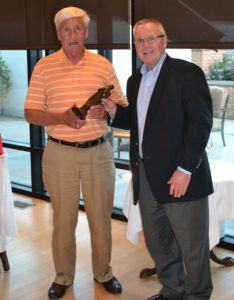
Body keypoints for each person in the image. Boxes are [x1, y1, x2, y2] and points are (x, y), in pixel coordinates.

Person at [103, 19, 214, 300]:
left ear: (165, 40)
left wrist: (185, 169)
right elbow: (140, 123)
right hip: (148, 178)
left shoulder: (187, 73)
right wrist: (115, 111)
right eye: (139, 41)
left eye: (151, 38)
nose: (145, 45)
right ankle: (173, 289)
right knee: (158, 243)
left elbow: (200, 124)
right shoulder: (134, 79)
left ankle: (198, 294)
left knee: (192, 247)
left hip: (181, 178)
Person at [24, 6, 128, 299]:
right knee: (63, 220)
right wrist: (61, 118)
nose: (72, 35)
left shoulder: (102, 66)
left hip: (98, 153)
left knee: (100, 219)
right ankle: (63, 276)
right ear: (58, 34)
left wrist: (107, 111)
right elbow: (30, 113)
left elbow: (122, 106)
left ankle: (103, 272)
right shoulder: (43, 66)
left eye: (77, 29)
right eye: (66, 30)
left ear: (86, 32)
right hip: (60, 154)